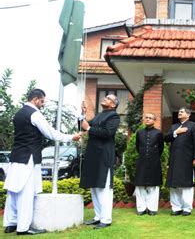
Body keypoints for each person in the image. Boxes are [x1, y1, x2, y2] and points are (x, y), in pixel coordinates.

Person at [3, 89, 81, 235]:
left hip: (16, 156)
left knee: (13, 191)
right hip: (28, 158)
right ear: (35, 99)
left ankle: (10, 223)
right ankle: (23, 228)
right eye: (42, 101)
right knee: (26, 193)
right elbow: (50, 133)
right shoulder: (34, 114)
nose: (43, 104)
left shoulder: (19, 113)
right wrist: (71, 137)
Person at [80, 94, 120, 229]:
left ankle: (106, 219)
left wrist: (89, 128)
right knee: (95, 187)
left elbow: (108, 133)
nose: (105, 98)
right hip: (93, 155)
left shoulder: (114, 116)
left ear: (113, 105)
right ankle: (98, 217)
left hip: (104, 155)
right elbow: (83, 126)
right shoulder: (98, 115)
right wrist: (83, 114)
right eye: (105, 97)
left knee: (104, 188)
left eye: (108, 98)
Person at [165, 107, 195, 216]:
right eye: (179, 111)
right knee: (174, 185)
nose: (179, 113)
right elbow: (166, 138)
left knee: (186, 185)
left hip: (187, 160)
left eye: (182, 111)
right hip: (174, 160)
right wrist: (176, 132)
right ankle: (176, 208)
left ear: (188, 114)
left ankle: (187, 208)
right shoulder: (174, 127)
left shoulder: (193, 126)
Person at [134, 113, 164, 216]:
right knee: (140, 185)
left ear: (154, 120)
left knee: (153, 186)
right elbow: (138, 147)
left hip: (154, 161)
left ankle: (152, 208)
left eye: (150, 118)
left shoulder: (158, 133)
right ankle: (141, 208)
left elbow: (161, 148)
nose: (147, 119)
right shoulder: (139, 133)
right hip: (141, 161)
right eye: (146, 118)